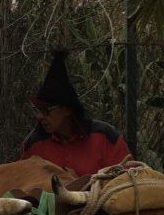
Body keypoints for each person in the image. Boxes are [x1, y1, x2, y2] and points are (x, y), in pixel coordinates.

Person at [20, 50, 132, 178]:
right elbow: (24, 187)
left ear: (67, 109)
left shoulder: (104, 137)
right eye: (38, 110)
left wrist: (79, 183)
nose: (39, 116)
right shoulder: (34, 145)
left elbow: (129, 181)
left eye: (46, 110)